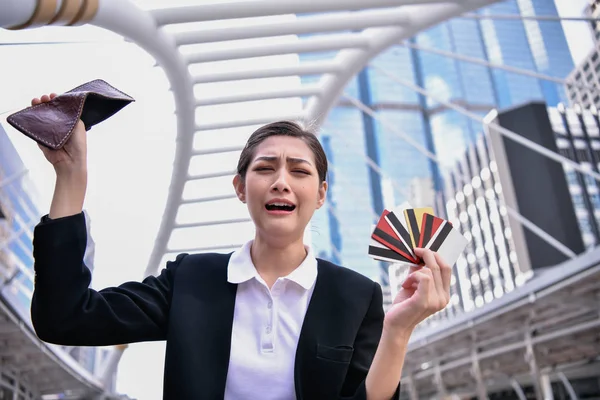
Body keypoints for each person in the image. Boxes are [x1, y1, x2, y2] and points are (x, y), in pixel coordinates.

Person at [30, 93, 453, 400]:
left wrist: (399, 329)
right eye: (265, 168)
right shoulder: (191, 280)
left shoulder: (355, 295)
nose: (281, 180)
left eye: (299, 171)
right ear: (240, 188)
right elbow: (65, 320)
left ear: (321, 194)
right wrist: (71, 177)